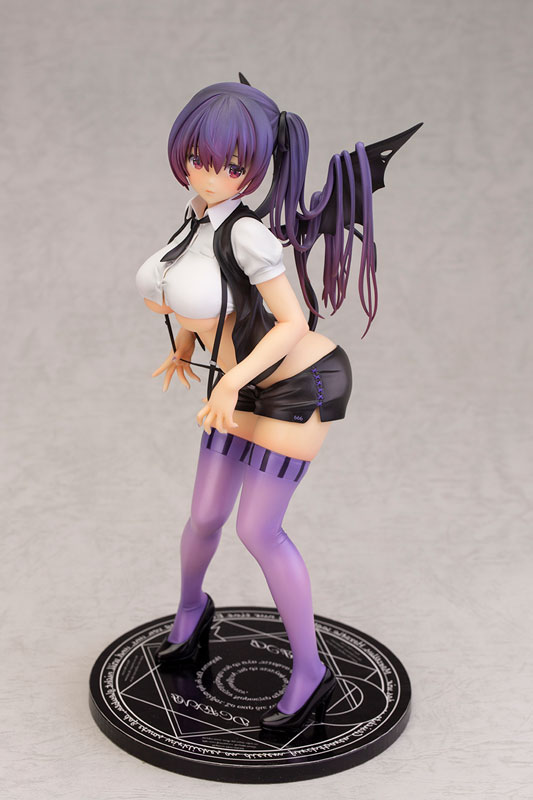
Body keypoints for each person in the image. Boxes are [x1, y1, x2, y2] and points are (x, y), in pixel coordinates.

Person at [136, 80, 396, 732]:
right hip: (239, 380)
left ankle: (309, 672)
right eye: (198, 157)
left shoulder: (249, 234)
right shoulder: (195, 217)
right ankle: (192, 612)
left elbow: (291, 322)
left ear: (252, 169)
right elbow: (201, 295)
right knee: (203, 516)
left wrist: (229, 384)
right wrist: (186, 347)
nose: (210, 174)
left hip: (296, 384)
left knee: (257, 530)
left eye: (230, 166)